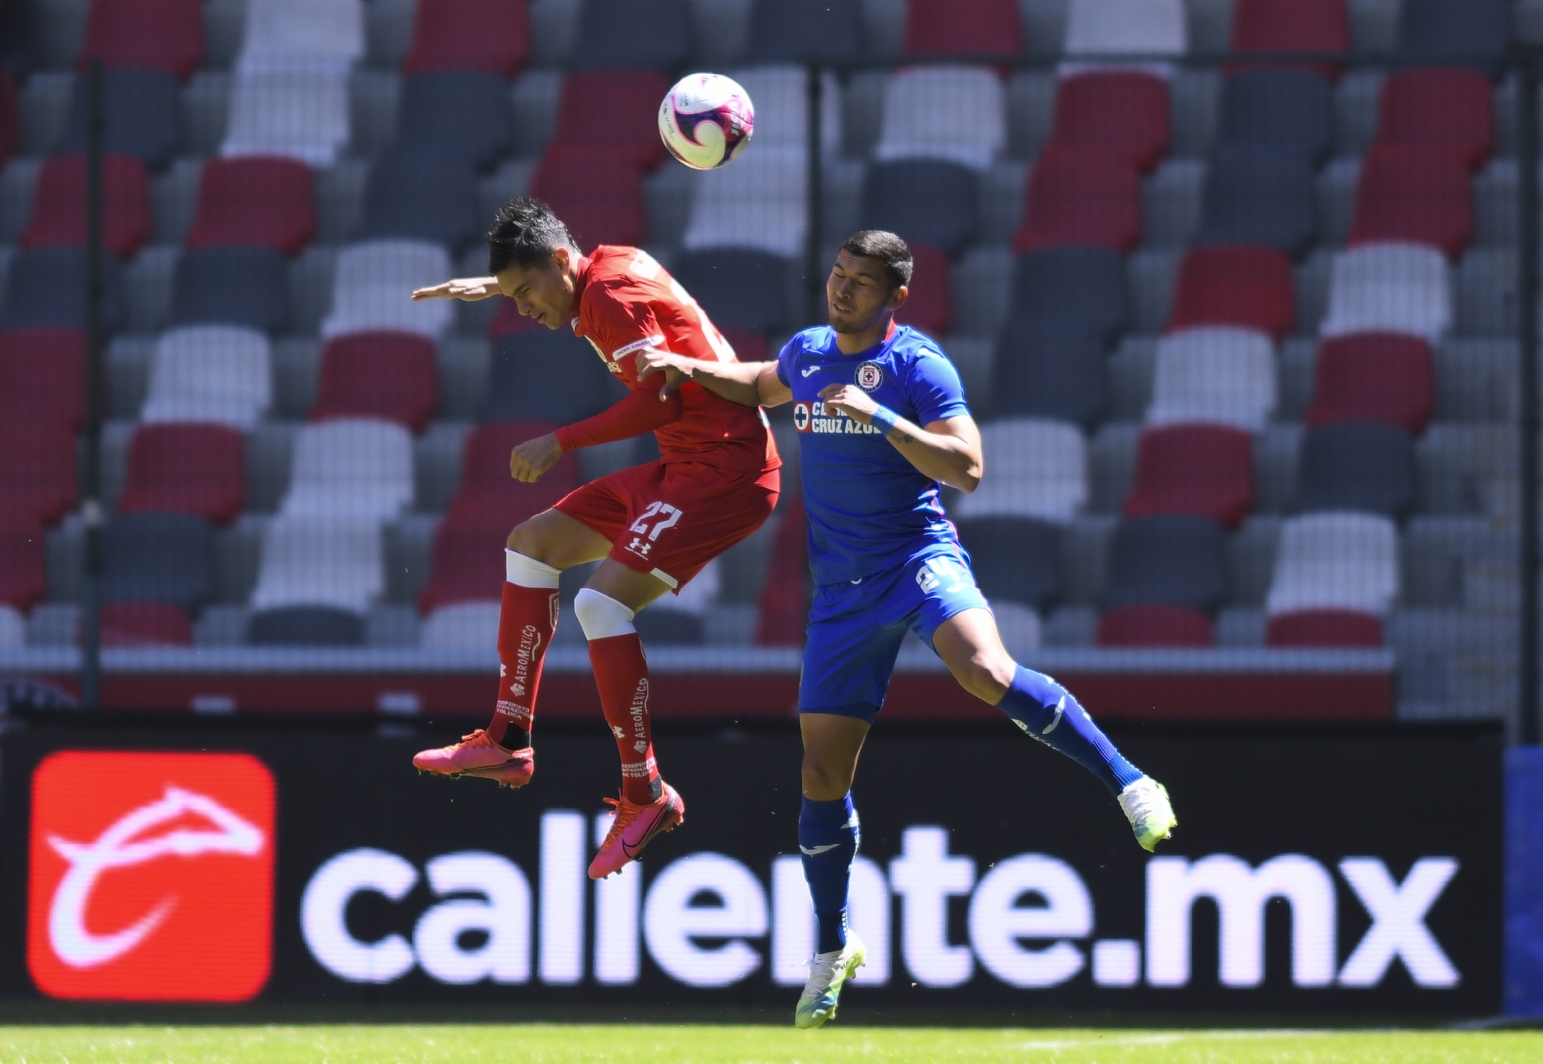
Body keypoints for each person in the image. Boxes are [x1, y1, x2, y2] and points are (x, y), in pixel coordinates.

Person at [637, 230, 1177, 1028]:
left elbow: (967, 467)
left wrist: (883, 417)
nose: (842, 290)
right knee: (821, 777)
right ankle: (832, 947)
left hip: (918, 561)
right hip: (843, 595)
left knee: (986, 672)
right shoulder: (811, 352)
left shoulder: (918, 366)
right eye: (838, 274)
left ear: (897, 296)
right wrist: (691, 368)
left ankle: (1130, 782)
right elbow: (760, 384)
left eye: (862, 282)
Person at [408, 197, 781, 879]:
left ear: (557, 263)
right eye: (512, 296)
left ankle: (645, 791)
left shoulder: (606, 298)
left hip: (726, 473)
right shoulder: (606, 268)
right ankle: (509, 737)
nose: (523, 310)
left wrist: (562, 441)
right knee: (532, 544)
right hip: (685, 464)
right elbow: (572, 284)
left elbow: (660, 400)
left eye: (524, 293)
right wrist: (492, 283)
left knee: (601, 605)